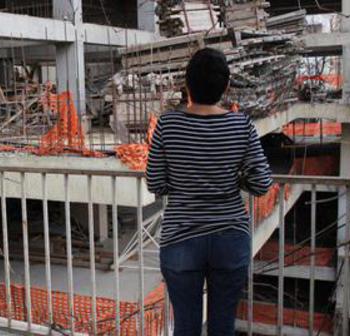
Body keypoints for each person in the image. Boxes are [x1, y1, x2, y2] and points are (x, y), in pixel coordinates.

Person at [146, 48, 273, 336]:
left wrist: (182, 182)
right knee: (222, 326)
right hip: (230, 238)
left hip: (181, 238)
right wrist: (234, 179)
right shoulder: (242, 126)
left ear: (187, 85)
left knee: (186, 327)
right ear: (226, 86)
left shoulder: (167, 124)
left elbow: (155, 182)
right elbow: (262, 184)